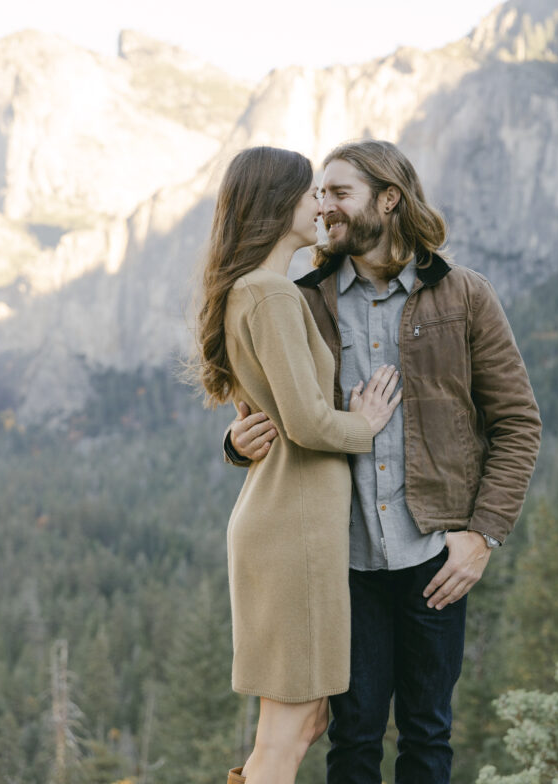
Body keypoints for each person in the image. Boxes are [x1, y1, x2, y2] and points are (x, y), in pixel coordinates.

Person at [225, 139, 542, 784]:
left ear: (389, 199)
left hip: (435, 556)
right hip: (342, 559)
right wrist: (234, 444)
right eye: (320, 194)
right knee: (354, 737)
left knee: (428, 736)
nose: (325, 207)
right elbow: (263, 408)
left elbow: (517, 424)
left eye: (340, 193)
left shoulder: (464, 297)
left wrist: (482, 535)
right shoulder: (301, 297)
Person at [194, 146, 402, 784]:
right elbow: (307, 422)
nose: (320, 204)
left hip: (290, 523)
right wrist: (364, 426)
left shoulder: (254, 292)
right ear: (277, 203)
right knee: (288, 734)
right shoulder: (271, 295)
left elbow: (272, 418)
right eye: (311, 193)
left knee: (305, 721)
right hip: (293, 529)